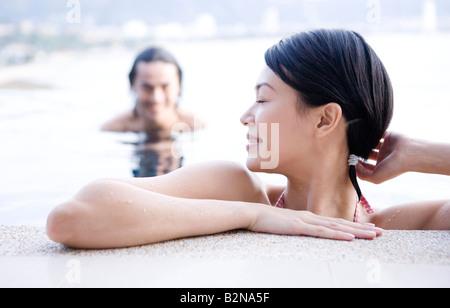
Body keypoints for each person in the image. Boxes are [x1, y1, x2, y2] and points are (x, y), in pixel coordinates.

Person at [47, 29, 449, 249]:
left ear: (326, 119)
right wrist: (252, 216)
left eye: (262, 99)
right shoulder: (240, 190)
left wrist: (427, 156)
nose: (245, 117)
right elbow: (71, 218)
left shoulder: (393, 226)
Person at [101, 47, 205, 143]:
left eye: (165, 87)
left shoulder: (197, 126)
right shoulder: (113, 129)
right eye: (147, 88)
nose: (156, 99)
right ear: (133, 85)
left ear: (179, 85)